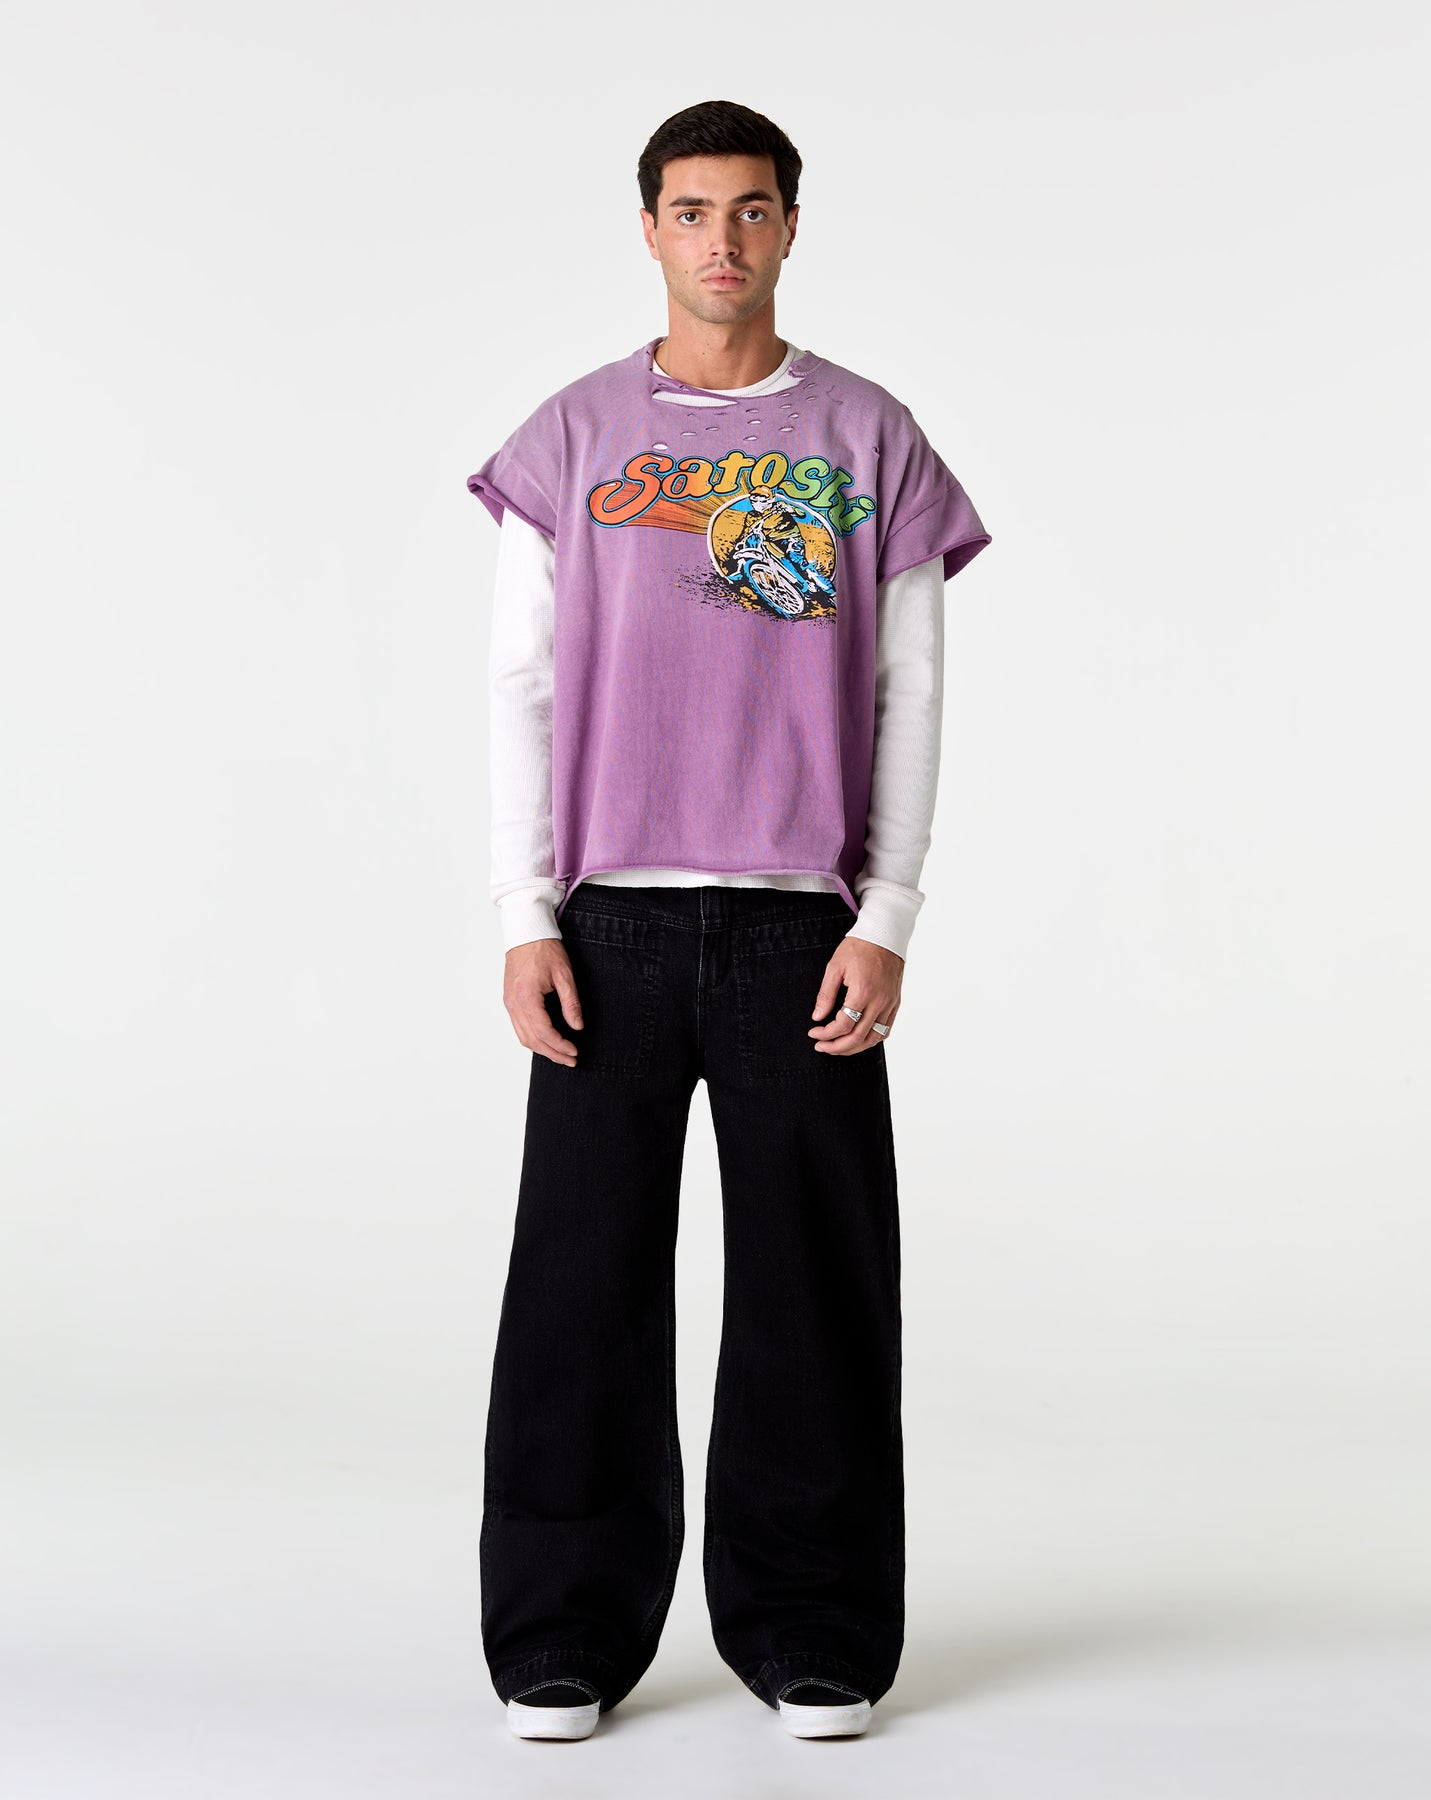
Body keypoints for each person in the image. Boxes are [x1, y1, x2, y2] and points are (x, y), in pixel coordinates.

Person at [465, 98, 992, 1743]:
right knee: (579, 1288)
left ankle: (813, 1629)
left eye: (751, 210)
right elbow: (520, 686)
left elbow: (911, 692)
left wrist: (887, 913)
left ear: (789, 227)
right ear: (649, 230)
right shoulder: (573, 437)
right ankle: (561, 1634)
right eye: (691, 212)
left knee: (813, 1291)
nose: (722, 241)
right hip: (608, 928)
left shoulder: (866, 437)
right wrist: (523, 911)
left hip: (796, 933)